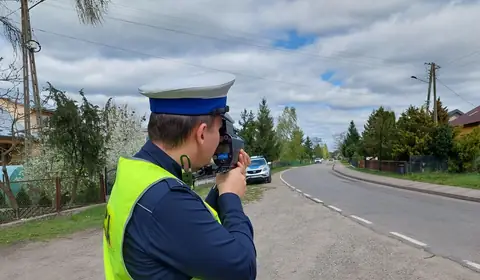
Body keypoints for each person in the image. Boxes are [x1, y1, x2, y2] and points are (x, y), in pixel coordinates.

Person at [103, 72, 257, 280]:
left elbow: (189, 226)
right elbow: (242, 269)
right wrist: (231, 198)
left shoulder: (137, 174)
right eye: (219, 130)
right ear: (202, 133)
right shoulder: (165, 199)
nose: (220, 139)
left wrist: (220, 187)